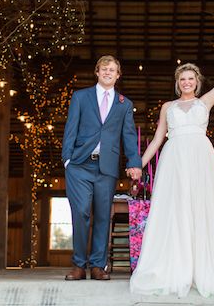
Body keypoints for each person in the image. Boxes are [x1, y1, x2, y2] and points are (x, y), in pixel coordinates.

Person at [129, 43, 214, 297]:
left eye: (191, 78)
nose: (187, 82)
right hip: (174, 160)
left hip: (201, 159)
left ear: (197, 82)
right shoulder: (168, 107)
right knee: (175, 210)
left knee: (201, 209)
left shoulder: (205, 102)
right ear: (178, 83)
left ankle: (203, 267)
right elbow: (158, 139)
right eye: (183, 79)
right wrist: (139, 164)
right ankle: (175, 266)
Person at [62, 55, 142, 281]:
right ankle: (79, 264)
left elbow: (128, 136)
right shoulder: (80, 97)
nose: (108, 72)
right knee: (81, 212)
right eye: (104, 69)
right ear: (97, 72)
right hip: (79, 164)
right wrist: (67, 159)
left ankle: (98, 265)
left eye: (112, 70)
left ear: (118, 75)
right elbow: (71, 128)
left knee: (103, 217)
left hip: (106, 167)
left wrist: (134, 162)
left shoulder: (124, 104)